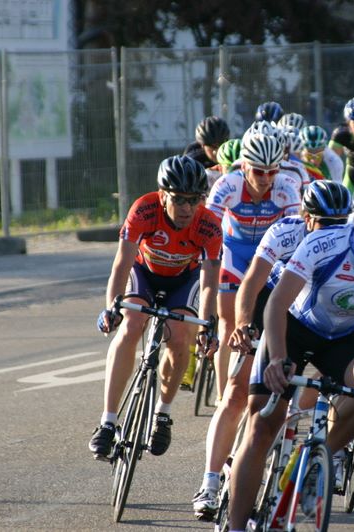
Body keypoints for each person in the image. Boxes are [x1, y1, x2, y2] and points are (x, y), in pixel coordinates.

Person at [225, 177, 354, 532]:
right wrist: (278, 358)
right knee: (261, 425)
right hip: (294, 329)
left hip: (343, 338)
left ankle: (317, 462)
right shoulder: (323, 243)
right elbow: (277, 303)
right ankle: (237, 525)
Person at [191, 181, 351, 520]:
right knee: (238, 394)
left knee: (308, 391)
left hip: (312, 318)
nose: (332, 230)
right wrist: (243, 324)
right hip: (272, 305)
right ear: (306, 218)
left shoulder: (350, 240)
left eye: (339, 223)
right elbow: (251, 282)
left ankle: (279, 460)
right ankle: (211, 480)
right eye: (325, 223)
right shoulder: (285, 232)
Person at [89, 155, 222, 459]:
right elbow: (122, 264)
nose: (187, 208)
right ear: (163, 195)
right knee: (131, 325)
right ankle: (107, 421)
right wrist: (112, 307)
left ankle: (163, 414)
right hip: (144, 273)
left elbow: (208, 283)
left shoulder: (209, 225)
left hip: (183, 280)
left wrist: (207, 325)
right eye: (179, 199)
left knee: (181, 337)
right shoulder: (144, 210)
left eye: (194, 199)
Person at [205, 133, 301, 401]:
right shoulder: (227, 184)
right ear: (245, 165)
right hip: (235, 252)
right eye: (259, 171)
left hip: (269, 256)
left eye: (272, 171)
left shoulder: (287, 186)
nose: (266, 179)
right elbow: (209, 229)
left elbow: (295, 235)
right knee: (228, 323)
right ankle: (224, 396)